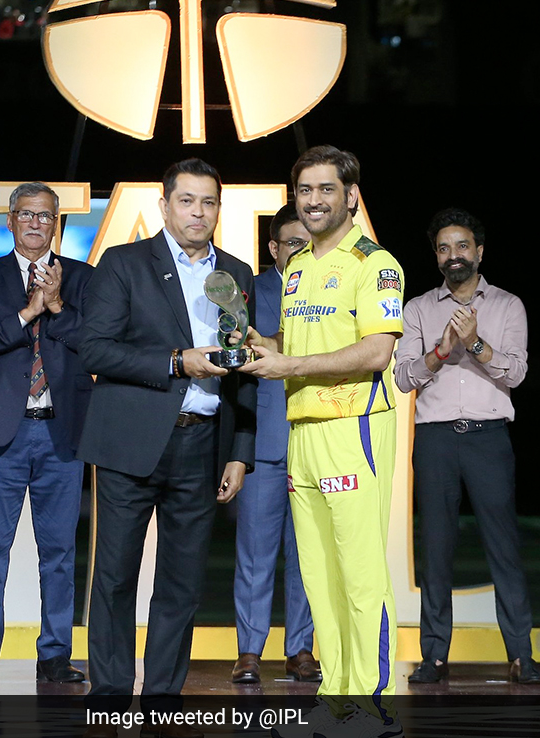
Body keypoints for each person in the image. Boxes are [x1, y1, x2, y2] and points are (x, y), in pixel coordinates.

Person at [79, 158, 256, 738]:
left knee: (181, 583)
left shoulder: (236, 273)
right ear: (164, 206)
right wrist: (177, 362)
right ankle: (109, 695)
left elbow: (245, 370)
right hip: (131, 441)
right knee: (114, 576)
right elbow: (95, 349)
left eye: (209, 202)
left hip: (204, 444)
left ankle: (161, 699)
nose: (198, 213)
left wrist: (240, 450)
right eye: (187, 201)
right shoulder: (124, 263)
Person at [241, 145, 404, 737]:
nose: (313, 201)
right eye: (305, 190)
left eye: (326, 189)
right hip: (302, 430)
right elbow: (299, 343)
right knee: (319, 577)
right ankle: (336, 699)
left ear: (351, 195)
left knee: (360, 577)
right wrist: (264, 345)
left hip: (352, 426)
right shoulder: (299, 267)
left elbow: (376, 351)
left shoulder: (376, 264)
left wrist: (290, 366)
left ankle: (375, 705)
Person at [393, 207, 540, 686]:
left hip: (488, 437)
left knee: (503, 547)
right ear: (436, 256)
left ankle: (520, 655)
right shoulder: (418, 308)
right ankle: (434, 656)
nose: (453, 255)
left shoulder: (507, 305)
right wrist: (441, 351)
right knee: (435, 550)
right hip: (435, 439)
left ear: (479, 251)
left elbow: (515, 373)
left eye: (462, 246)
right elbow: (403, 377)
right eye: (443, 248)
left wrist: (475, 344)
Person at [0, 182, 93, 684]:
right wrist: (26, 314)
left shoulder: (82, 278)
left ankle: (55, 653)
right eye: (27, 215)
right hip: (1, 436)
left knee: (59, 554)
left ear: (57, 224)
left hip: (62, 433)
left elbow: (95, 344)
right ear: (11, 220)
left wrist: (56, 307)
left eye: (45, 216)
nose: (36, 223)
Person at [230, 203, 319, 685]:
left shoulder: (328, 289)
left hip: (316, 440)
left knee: (307, 556)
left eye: (309, 243)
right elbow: (240, 362)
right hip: (264, 443)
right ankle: (249, 651)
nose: (302, 251)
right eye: (293, 243)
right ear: (273, 248)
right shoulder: (251, 290)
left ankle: (300, 648)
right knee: (255, 553)